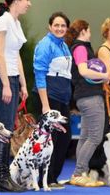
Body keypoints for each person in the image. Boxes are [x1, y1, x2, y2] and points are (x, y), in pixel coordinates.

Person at [0, 0, 32, 192]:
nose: (29, 4)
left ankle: (4, 176)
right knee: (4, 130)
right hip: (2, 79)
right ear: (16, 0)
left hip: (13, 79)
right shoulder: (3, 21)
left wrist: (22, 83)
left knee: (9, 129)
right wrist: (6, 84)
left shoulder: (16, 22)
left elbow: (16, 55)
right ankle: (0, 178)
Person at [66, 19, 108, 187]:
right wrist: (104, 76)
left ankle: (80, 173)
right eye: (89, 30)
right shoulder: (81, 48)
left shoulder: (78, 48)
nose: (91, 33)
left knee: (84, 137)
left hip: (84, 97)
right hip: (90, 97)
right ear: (83, 31)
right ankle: (78, 173)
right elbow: (83, 71)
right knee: (95, 137)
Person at [32, 12, 72, 189]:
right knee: (50, 140)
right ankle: (44, 179)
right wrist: (45, 105)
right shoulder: (45, 45)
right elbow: (39, 74)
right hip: (49, 97)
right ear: (50, 26)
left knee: (64, 137)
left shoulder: (64, 45)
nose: (60, 28)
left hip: (62, 98)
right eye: (56, 25)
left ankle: (53, 177)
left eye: (63, 26)